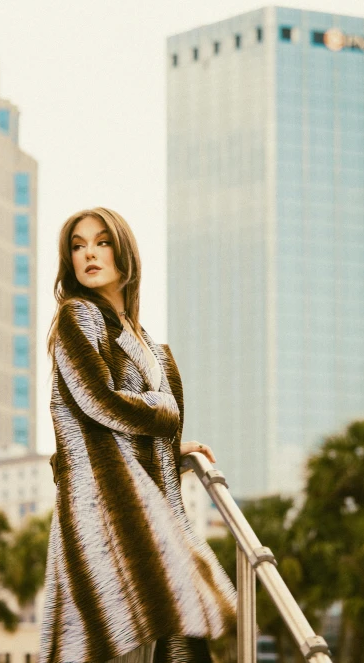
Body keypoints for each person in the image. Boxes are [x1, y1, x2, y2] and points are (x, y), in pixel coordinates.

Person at [39, 207, 236, 663]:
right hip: (110, 516)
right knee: (155, 636)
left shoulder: (147, 344)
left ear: (124, 252)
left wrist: (171, 448)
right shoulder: (78, 317)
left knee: (177, 639)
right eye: (78, 245)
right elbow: (98, 402)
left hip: (148, 514)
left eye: (102, 241)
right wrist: (163, 414)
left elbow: (122, 424)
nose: (88, 253)